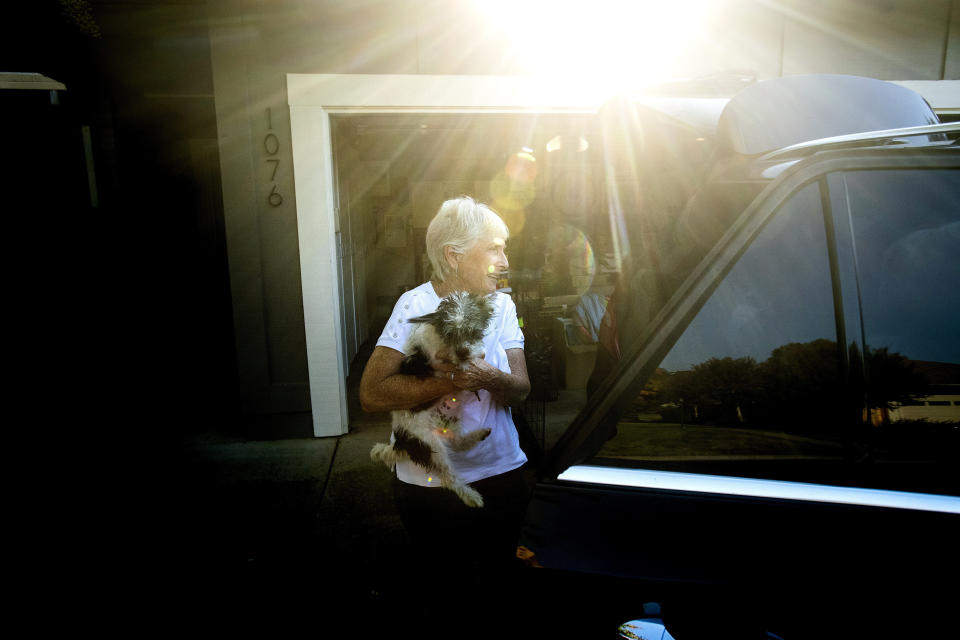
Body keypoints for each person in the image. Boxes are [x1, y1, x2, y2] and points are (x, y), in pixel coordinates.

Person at [358, 196, 533, 630]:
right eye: (494, 248)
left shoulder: (504, 306)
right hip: (429, 484)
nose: (504, 259)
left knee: (500, 589)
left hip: (502, 472)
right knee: (445, 596)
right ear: (454, 255)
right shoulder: (413, 306)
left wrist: (492, 376)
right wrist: (452, 381)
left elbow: (522, 390)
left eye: (504, 248)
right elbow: (372, 393)